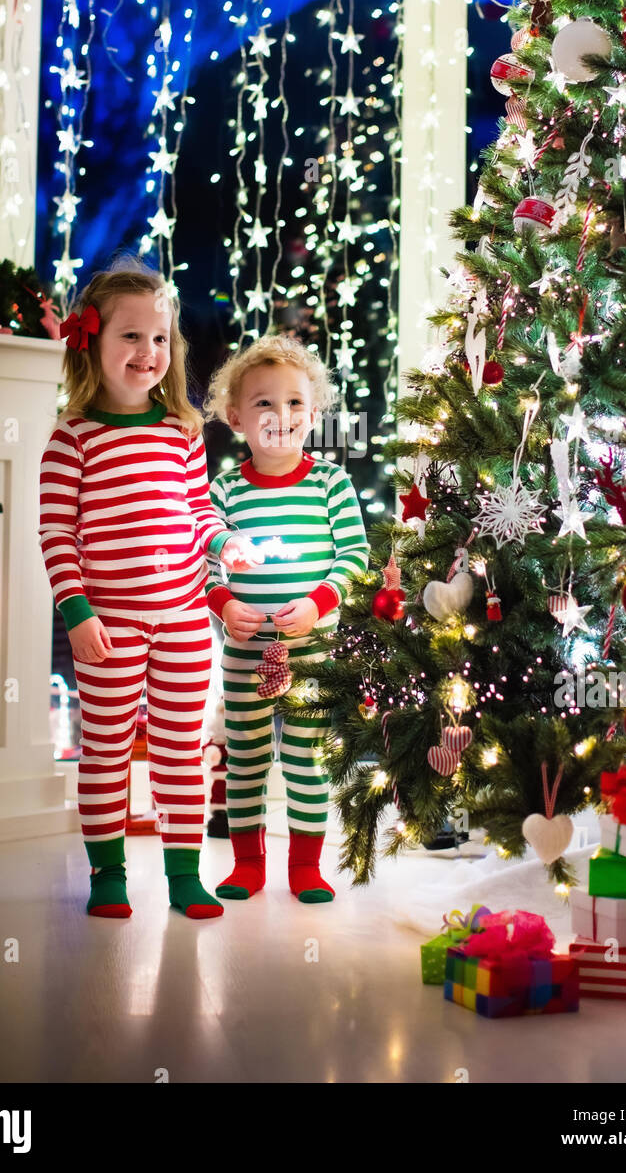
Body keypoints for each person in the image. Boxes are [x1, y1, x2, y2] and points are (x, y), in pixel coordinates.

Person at [38, 256, 260, 920]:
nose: (147, 352)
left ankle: (183, 875)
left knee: (180, 752)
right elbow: (57, 538)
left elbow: (199, 515)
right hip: (109, 624)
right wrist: (77, 615)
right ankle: (109, 874)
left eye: (159, 338)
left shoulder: (182, 434)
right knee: (106, 749)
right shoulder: (71, 439)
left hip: (186, 620)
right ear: (93, 343)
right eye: (130, 336)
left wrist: (227, 545)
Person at [203, 335, 369, 903]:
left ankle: (306, 868)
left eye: (296, 403)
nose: (281, 416)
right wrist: (225, 605)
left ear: (314, 413)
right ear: (235, 417)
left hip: (312, 652)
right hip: (247, 651)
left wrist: (319, 602)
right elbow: (206, 564)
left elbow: (354, 557)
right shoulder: (223, 491)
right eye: (264, 404)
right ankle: (247, 864)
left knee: (306, 761)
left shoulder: (331, 484)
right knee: (245, 758)